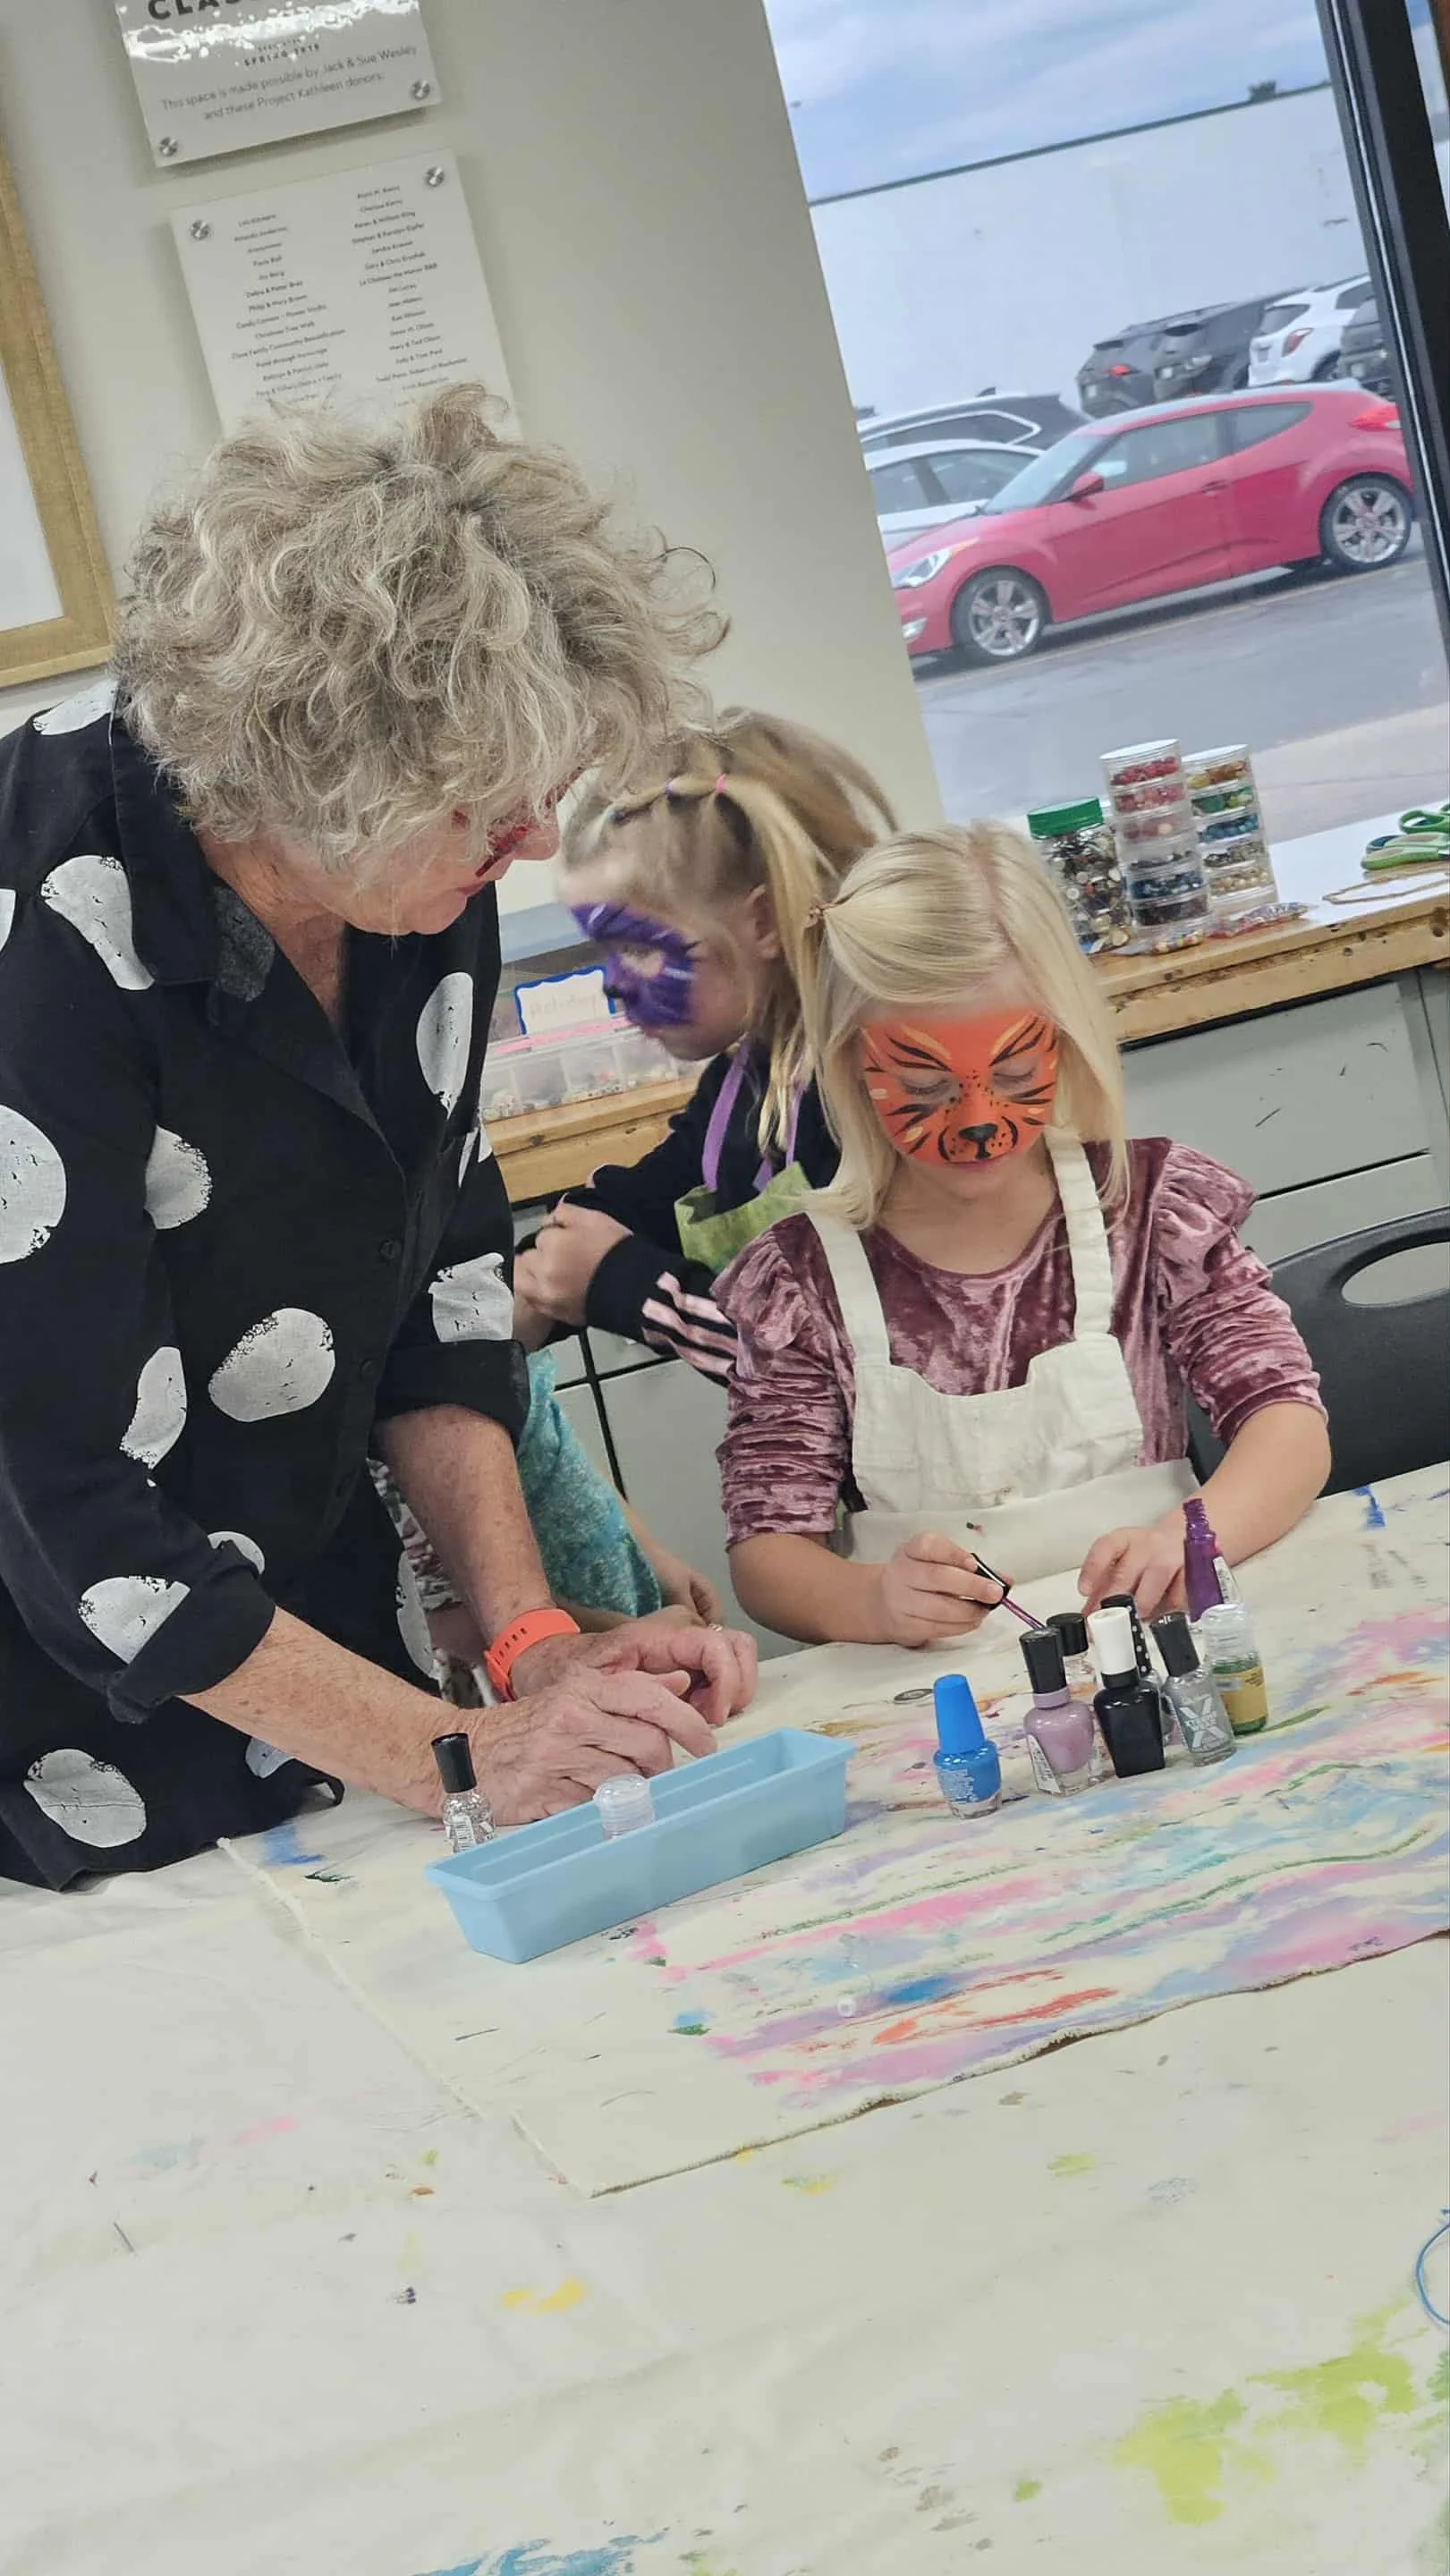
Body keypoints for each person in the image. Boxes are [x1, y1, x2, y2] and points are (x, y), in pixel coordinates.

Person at [0, 386, 755, 1889]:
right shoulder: (44, 955)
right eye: (491, 800)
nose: (531, 842)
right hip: (60, 1759)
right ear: (305, 769)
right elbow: (62, 1503)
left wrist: (530, 1645)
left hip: (331, 1699)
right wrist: (462, 1760)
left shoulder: (410, 875)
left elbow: (437, 1287)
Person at [717, 825, 1330, 1647]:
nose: (977, 1123)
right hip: (936, 1691)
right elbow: (767, 1553)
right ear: (849, 1067)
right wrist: (869, 1603)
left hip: (1169, 1637)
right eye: (926, 1086)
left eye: (1012, 1075)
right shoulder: (804, 1282)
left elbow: (1286, 1424)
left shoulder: (1147, 1210)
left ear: (1066, 1041)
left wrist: (1189, 1539)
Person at [513, 711, 895, 1378]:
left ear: (764, 920)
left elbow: (836, 1370)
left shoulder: (875, 1091)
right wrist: (544, 1269)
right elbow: (660, 1191)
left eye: (636, 946)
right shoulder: (753, 1077)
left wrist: (625, 1287)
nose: (612, 986)